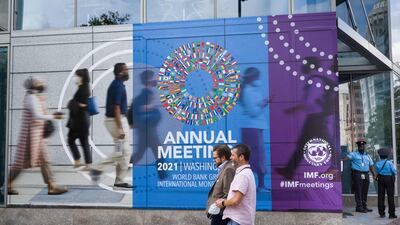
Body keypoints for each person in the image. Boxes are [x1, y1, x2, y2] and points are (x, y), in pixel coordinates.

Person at [8, 77, 68, 195]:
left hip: (37, 135)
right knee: (20, 163)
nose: (42, 84)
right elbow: (37, 115)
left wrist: (51, 115)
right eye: (39, 83)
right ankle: (7, 184)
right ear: (33, 86)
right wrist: (53, 117)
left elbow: (40, 113)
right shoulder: (31, 98)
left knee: (45, 160)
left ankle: (52, 186)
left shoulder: (34, 97)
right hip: (30, 137)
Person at [90, 63, 133, 189]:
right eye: (126, 70)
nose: (128, 71)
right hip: (115, 121)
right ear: (120, 72)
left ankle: (119, 181)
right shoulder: (118, 86)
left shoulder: (117, 85)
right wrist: (120, 127)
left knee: (121, 151)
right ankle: (98, 168)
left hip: (116, 120)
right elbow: (116, 107)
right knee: (125, 151)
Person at [130, 70, 165, 180]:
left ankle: (124, 169)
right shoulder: (145, 94)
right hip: (148, 131)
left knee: (140, 154)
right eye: (151, 78)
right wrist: (151, 106)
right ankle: (163, 177)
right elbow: (140, 109)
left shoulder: (148, 93)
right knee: (158, 153)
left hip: (146, 131)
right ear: (147, 80)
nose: (153, 80)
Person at [240, 67, 269, 192]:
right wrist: (264, 103)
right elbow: (253, 112)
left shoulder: (251, 90)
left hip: (255, 127)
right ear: (252, 77)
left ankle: (258, 186)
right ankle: (257, 186)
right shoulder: (248, 91)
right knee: (255, 157)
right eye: (257, 77)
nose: (258, 80)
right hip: (252, 127)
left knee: (257, 156)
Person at [216, 144, 256, 225]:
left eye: (233, 155)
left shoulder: (243, 175)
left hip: (237, 221)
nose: (230, 158)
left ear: (241, 157)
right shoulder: (245, 173)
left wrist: (222, 203)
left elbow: (236, 200)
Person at [342, 139, 377, 213]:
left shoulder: (368, 155)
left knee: (365, 191)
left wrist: (374, 175)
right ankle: (359, 207)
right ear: (358, 146)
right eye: (360, 145)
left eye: (362, 145)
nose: (361, 146)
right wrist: (340, 160)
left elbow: (371, 165)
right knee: (358, 191)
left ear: (364, 146)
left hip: (366, 174)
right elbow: (345, 159)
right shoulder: (354, 154)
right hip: (357, 174)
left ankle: (364, 206)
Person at [67, 68, 92, 169]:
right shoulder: (83, 87)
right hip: (80, 120)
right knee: (83, 141)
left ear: (81, 77)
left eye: (76, 76)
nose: (75, 78)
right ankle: (86, 163)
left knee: (72, 140)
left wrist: (72, 102)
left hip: (79, 120)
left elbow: (84, 105)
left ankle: (79, 162)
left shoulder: (83, 89)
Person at [206, 144, 236, 225]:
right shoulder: (224, 168)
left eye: (215, 158)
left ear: (223, 157)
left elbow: (229, 194)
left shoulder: (228, 169)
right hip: (218, 213)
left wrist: (217, 206)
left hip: (221, 215)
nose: (213, 160)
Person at [375, 148, 397, 219]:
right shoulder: (390, 163)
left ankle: (381, 213)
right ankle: (391, 214)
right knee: (390, 196)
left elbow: (377, 171)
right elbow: (394, 171)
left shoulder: (377, 163)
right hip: (389, 179)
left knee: (381, 196)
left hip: (381, 179)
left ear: (380, 156)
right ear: (387, 155)